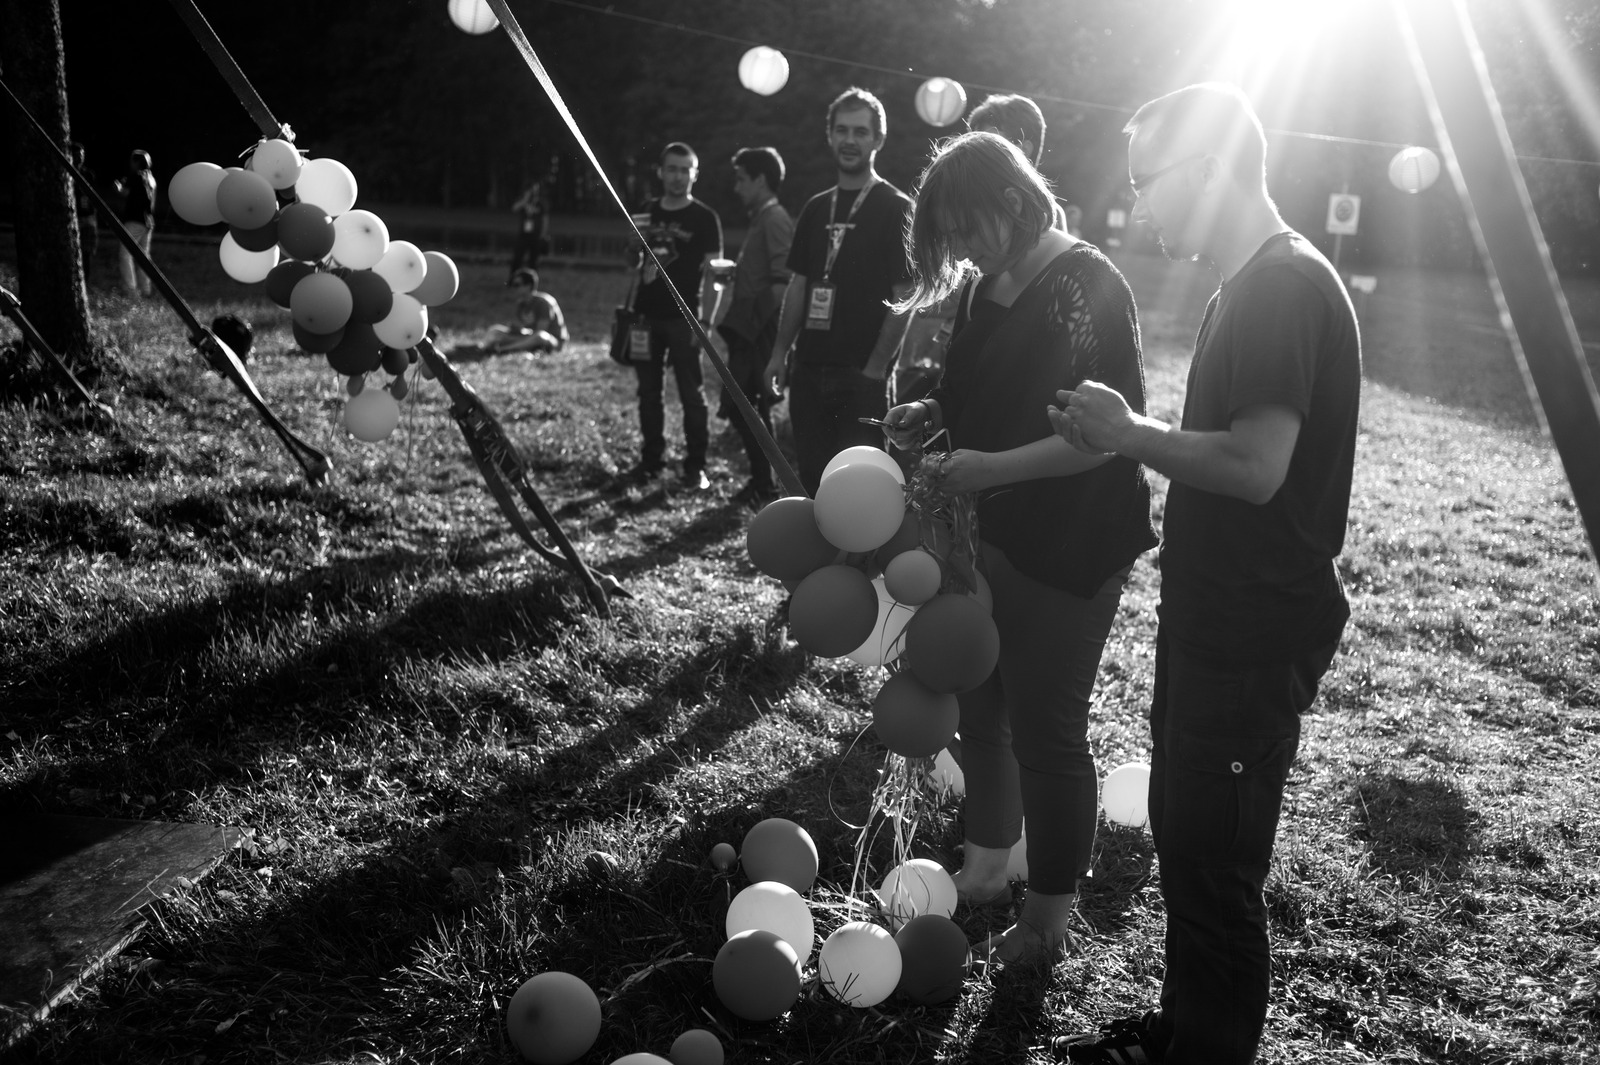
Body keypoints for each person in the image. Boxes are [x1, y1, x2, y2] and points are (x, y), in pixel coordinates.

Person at [1048, 83, 1360, 1065]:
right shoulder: (1249, 281)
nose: (1143, 205)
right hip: (1212, 615)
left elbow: (1257, 466)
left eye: (1152, 181)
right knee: (1186, 847)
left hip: (1251, 628)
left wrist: (1129, 434)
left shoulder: (1278, 288)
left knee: (1215, 871)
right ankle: (1183, 1030)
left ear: (1213, 166)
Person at [882, 131, 1158, 966]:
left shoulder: (1088, 285)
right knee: (984, 711)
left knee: (1047, 726)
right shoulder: (982, 286)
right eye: (950, 240)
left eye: (969, 228)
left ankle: (1047, 917)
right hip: (992, 530)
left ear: (1012, 198)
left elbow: (1103, 440)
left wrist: (985, 469)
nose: (962, 251)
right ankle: (988, 866)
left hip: (1073, 541)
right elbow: (973, 393)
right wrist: (930, 415)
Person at [764, 87, 913, 495]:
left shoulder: (896, 207)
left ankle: (859, 562)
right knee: (813, 482)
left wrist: (875, 370)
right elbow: (798, 284)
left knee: (861, 490)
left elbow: (905, 296)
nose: (850, 140)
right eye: (841, 130)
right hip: (809, 370)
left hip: (862, 375)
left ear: (878, 140)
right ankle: (818, 560)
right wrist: (780, 354)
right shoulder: (815, 207)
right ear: (829, 135)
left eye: (860, 132)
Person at [626, 142, 724, 490]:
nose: (679, 176)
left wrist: (708, 322)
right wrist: (638, 254)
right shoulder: (646, 211)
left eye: (686, 169)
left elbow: (716, 274)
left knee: (691, 395)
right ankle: (651, 462)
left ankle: (695, 467)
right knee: (648, 393)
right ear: (661, 172)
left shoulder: (705, 218)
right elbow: (633, 262)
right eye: (673, 169)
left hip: (685, 320)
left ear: (695, 174)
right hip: (645, 317)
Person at [718, 147, 794, 509]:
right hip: (749, 328)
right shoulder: (761, 216)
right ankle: (762, 481)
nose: (737, 187)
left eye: (741, 179)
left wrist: (751, 324)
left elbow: (784, 281)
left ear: (760, 180)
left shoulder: (775, 217)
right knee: (744, 405)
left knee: (744, 406)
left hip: (757, 331)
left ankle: (765, 484)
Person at [476, 268, 568, 355]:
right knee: (496, 330)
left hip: (553, 342)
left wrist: (518, 335)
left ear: (528, 286)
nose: (513, 288)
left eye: (517, 285)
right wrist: (518, 331)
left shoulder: (543, 303)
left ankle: (503, 350)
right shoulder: (522, 304)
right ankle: (481, 347)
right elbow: (529, 331)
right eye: (512, 285)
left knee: (540, 336)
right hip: (532, 338)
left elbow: (540, 331)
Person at [114, 149, 157, 297]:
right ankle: (146, 289)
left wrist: (118, 187)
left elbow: (125, 193)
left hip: (134, 219)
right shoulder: (151, 178)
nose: (130, 163)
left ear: (137, 162)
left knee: (125, 253)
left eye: (132, 161)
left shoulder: (136, 176)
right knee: (144, 256)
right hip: (148, 221)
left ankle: (130, 289)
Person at [508, 180, 549, 284]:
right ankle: (512, 280)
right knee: (517, 258)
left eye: (536, 189)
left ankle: (532, 282)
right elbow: (514, 208)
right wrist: (525, 200)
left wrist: (542, 234)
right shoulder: (524, 201)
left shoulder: (541, 203)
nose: (533, 192)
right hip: (523, 235)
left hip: (535, 236)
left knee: (533, 261)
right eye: (531, 189)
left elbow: (545, 219)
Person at [71, 142, 99, 278]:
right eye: (76, 155)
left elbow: (93, 197)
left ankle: (86, 278)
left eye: (81, 155)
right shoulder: (67, 175)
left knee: (87, 251)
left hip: (87, 216)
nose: (79, 158)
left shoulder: (88, 174)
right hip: (74, 216)